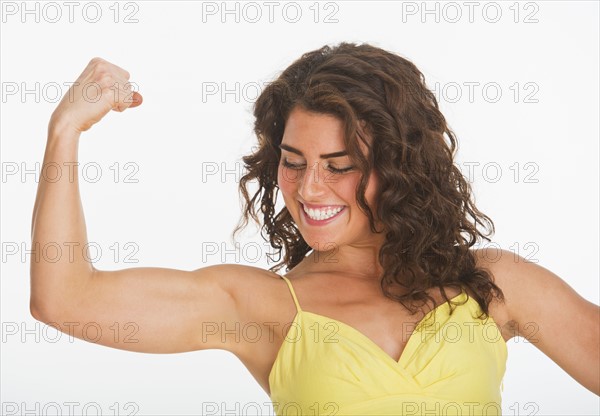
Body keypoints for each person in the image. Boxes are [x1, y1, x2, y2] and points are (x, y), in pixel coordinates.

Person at [30, 42, 599, 415]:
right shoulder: (261, 307)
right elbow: (66, 299)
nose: (309, 189)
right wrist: (65, 132)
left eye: (340, 166)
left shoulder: (492, 283)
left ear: (400, 167)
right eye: (294, 161)